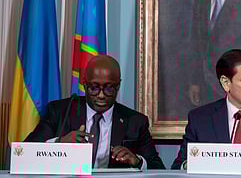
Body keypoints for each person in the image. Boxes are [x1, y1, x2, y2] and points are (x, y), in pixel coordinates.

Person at [25, 55, 165, 169]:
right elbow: (25, 153)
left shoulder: (135, 121)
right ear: (84, 85)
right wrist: (60, 142)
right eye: (94, 88)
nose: (101, 95)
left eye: (109, 88)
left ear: (118, 86)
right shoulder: (60, 111)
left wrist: (137, 161)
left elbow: (158, 168)